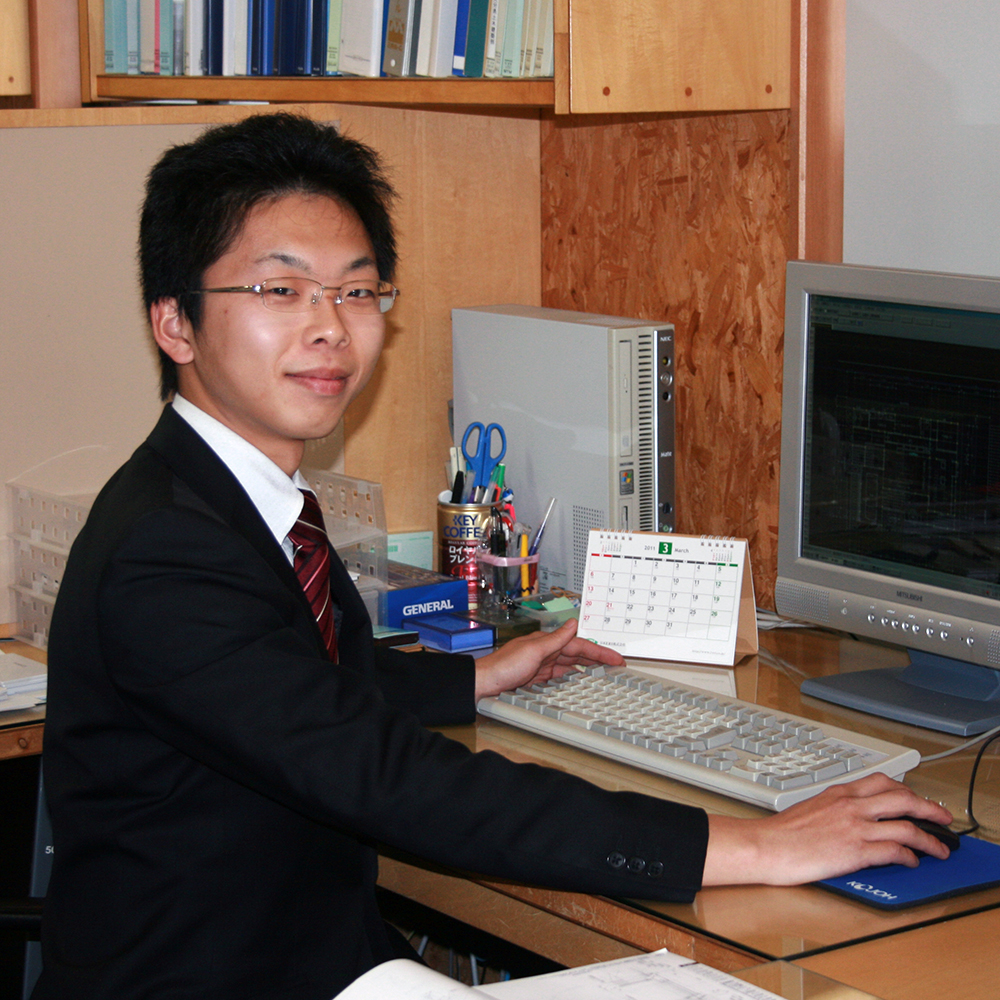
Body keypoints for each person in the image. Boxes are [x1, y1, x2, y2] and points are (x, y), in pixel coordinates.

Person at [33, 112, 953, 1000]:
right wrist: (750, 844)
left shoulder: (228, 497)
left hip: (302, 954)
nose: (331, 327)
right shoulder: (166, 552)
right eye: (281, 291)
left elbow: (289, 687)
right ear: (176, 324)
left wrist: (471, 681)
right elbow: (387, 779)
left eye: (357, 290)